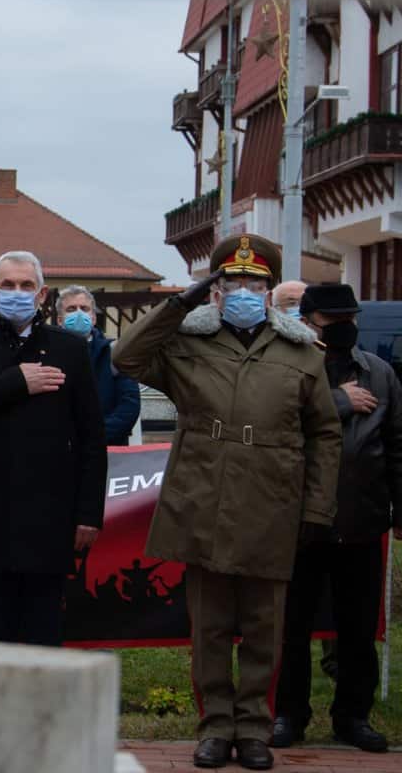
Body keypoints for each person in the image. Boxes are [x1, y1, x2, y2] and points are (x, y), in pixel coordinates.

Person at [112, 234, 341, 771]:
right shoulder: (188, 343)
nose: (243, 290)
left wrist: (317, 508)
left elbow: (325, 434)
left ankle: (254, 729)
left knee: (264, 627)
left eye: (254, 282)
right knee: (210, 626)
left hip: (271, 498)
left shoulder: (302, 352)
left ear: (268, 290)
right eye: (231, 281)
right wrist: (179, 303)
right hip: (204, 496)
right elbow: (125, 358)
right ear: (215, 291)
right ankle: (216, 727)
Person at [0, 251, 106, 647]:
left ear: (42, 294)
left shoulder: (69, 349)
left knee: (44, 624)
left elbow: (91, 438)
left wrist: (88, 513)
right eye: (8, 286)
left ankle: (41, 709)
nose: (17, 293)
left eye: (26, 285)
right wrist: (16, 382)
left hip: (50, 512)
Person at [272, 284, 402, 754]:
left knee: (357, 629)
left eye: (350, 317)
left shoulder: (380, 374)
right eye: (333, 320)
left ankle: (352, 716)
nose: (345, 327)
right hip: (299, 522)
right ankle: (289, 714)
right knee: (292, 628)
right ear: (308, 323)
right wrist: (338, 401)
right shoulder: (286, 368)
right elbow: (277, 425)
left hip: (361, 519)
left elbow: (398, 447)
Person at [56, 285, 141, 445]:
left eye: (85, 308)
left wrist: (95, 436)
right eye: (71, 309)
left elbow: (129, 405)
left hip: (109, 451)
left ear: (94, 317)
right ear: (60, 319)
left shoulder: (115, 353)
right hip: (61, 452)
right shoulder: (47, 354)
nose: (79, 313)